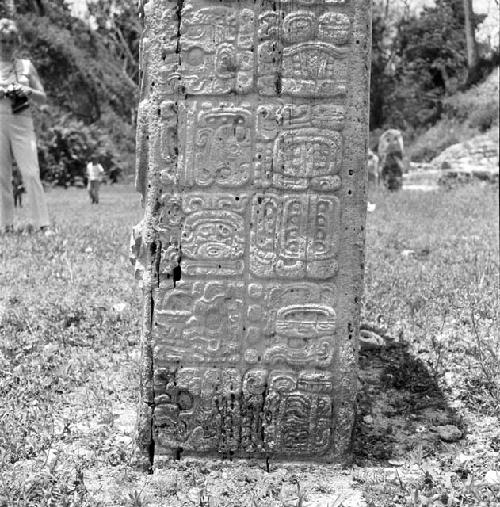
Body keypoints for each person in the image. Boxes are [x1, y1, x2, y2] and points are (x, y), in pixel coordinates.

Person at [0, 18, 50, 232]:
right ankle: (6, 224)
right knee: (2, 176)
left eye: (11, 41)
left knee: (30, 173)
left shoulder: (26, 66)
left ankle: (43, 224)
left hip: (22, 122)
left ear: (17, 42)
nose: (6, 45)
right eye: (2, 41)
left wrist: (27, 91)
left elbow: (43, 98)